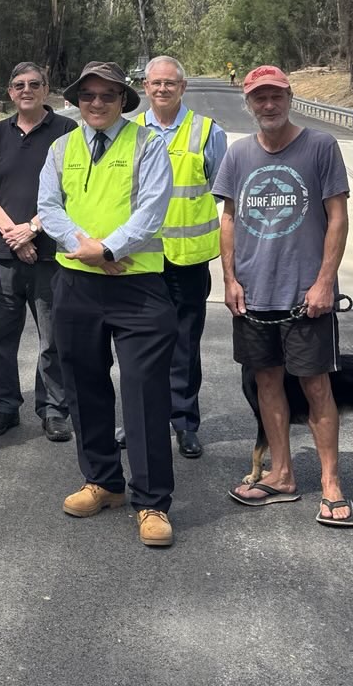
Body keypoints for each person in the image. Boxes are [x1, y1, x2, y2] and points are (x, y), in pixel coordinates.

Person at [38, 61, 176, 548]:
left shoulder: (148, 145)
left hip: (137, 286)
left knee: (143, 391)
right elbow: (49, 207)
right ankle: (103, 481)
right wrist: (89, 251)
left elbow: (152, 210)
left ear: (123, 99)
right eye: (88, 95)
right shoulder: (61, 147)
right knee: (83, 384)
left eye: (108, 95)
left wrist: (110, 250)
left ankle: (152, 501)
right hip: (77, 283)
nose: (97, 103)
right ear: (77, 100)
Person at [219, 65, 353, 527]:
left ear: (289, 97)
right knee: (267, 382)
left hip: (305, 294)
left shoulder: (319, 147)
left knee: (316, 386)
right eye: (260, 98)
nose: (269, 105)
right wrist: (230, 279)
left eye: (276, 96)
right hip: (254, 294)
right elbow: (230, 219)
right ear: (249, 103)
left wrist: (324, 282)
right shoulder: (238, 155)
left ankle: (332, 483)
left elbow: (337, 218)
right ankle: (281, 475)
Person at [0, 61, 76, 441]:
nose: (27, 90)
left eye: (35, 84)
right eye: (19, 84)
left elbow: (71, 191)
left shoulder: (67, 130)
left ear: (47, 88)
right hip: (3, 251)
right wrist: (12, 234)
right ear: (10, 92)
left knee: (52, 336)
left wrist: (32, 229)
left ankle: (53, 409)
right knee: (1, 335)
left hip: (50, 252)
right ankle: (3, 407)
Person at [135, 56, 227, 458]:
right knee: (141, 346)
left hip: (188, 260)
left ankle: (184, 422)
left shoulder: (207, 132)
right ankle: (141, 419)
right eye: (155, 83)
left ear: (183, 87)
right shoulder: (130, 131)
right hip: (141, 260)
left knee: (184, 346)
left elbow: (226, 194)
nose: (162, 89)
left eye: (169, 83)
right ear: (144, 86)